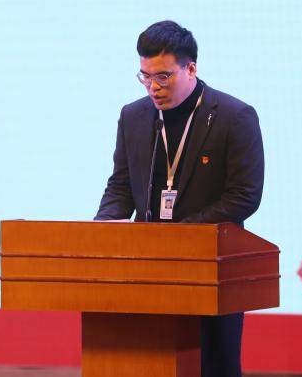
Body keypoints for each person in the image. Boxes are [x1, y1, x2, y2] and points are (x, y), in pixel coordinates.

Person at [95, 20, 265, 377]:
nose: (153, 87)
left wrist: (182, 235)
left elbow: (244, 196)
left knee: (211, 367)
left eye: (163, 77)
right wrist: (103, 229)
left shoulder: (235, 117)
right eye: (145, 77)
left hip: (210, 268)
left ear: (191, 69)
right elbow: (122, 185)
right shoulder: (133, 116)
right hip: (146, 269)